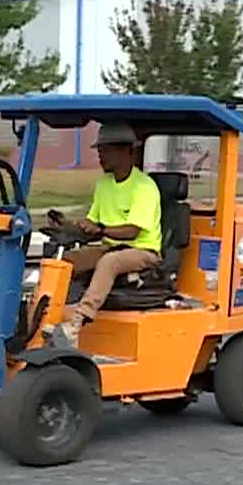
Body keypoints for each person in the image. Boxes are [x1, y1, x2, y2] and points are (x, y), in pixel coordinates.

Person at [46, 122, 164, 343]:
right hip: (110, 245)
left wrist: (100, 230)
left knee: (109, 262)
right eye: (99, 151)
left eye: (105, 151)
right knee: (67, 260)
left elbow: (131, 232)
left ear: (127, 151)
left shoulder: (144, 187)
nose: (101, 157)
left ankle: (78, 321)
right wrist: (68, 225)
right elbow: (92, 223)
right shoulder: (104, 184)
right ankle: (47, 314)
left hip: (143, 251)